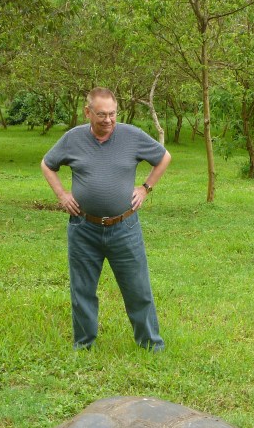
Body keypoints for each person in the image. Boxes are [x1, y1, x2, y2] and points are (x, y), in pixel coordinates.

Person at [41, 87, 172, 351]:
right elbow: (47, 164)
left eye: (112, 114)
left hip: (124, 227)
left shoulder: (132, 136)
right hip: (83, 227)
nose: (108, 120)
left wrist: (145, 188)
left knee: (138, 289)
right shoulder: (73, 139)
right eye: (101, 114)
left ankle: (150, 345)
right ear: (87, 112)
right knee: (82, 291)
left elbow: (164, 157)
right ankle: (84, 345)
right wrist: (62, 194)